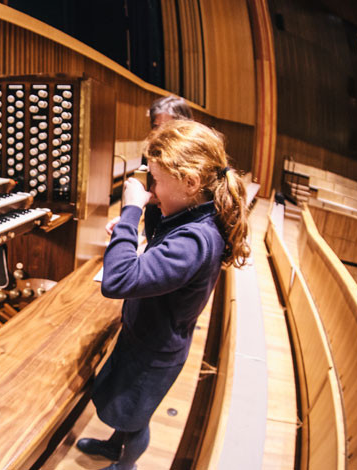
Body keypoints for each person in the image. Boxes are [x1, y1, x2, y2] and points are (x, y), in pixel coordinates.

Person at [77, 119, 251, 470]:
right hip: (144, 336)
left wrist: (130, 212)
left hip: (155, 352)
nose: (150, 188)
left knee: (135, 418)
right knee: (123, 408)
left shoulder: (195, 241)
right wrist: (136, 219)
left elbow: (118, 280)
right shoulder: (194, 212)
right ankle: (114, 448)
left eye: (155, 180)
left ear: (190, 183)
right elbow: (159, 233)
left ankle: (126, 465)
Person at [107, 95, 194, 240]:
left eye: (168, 125)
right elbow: (148, 189)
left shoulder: (193, 156)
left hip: (181, 225)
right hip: (154, 217)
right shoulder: (150, 150)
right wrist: (129, 218)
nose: (160, 132)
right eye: (156, 126)